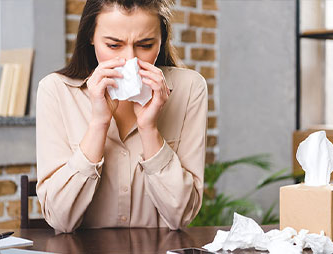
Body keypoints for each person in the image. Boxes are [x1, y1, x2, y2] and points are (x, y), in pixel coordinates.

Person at [36, 0, 207, 233]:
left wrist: (150, 130)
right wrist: (99, 123)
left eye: (145, 45)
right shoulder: (55, 90)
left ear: (161, 41)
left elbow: (182, 215)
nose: (130, 61)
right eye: (114, 45)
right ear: (91, 37)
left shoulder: (189, 89)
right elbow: (60, 219)